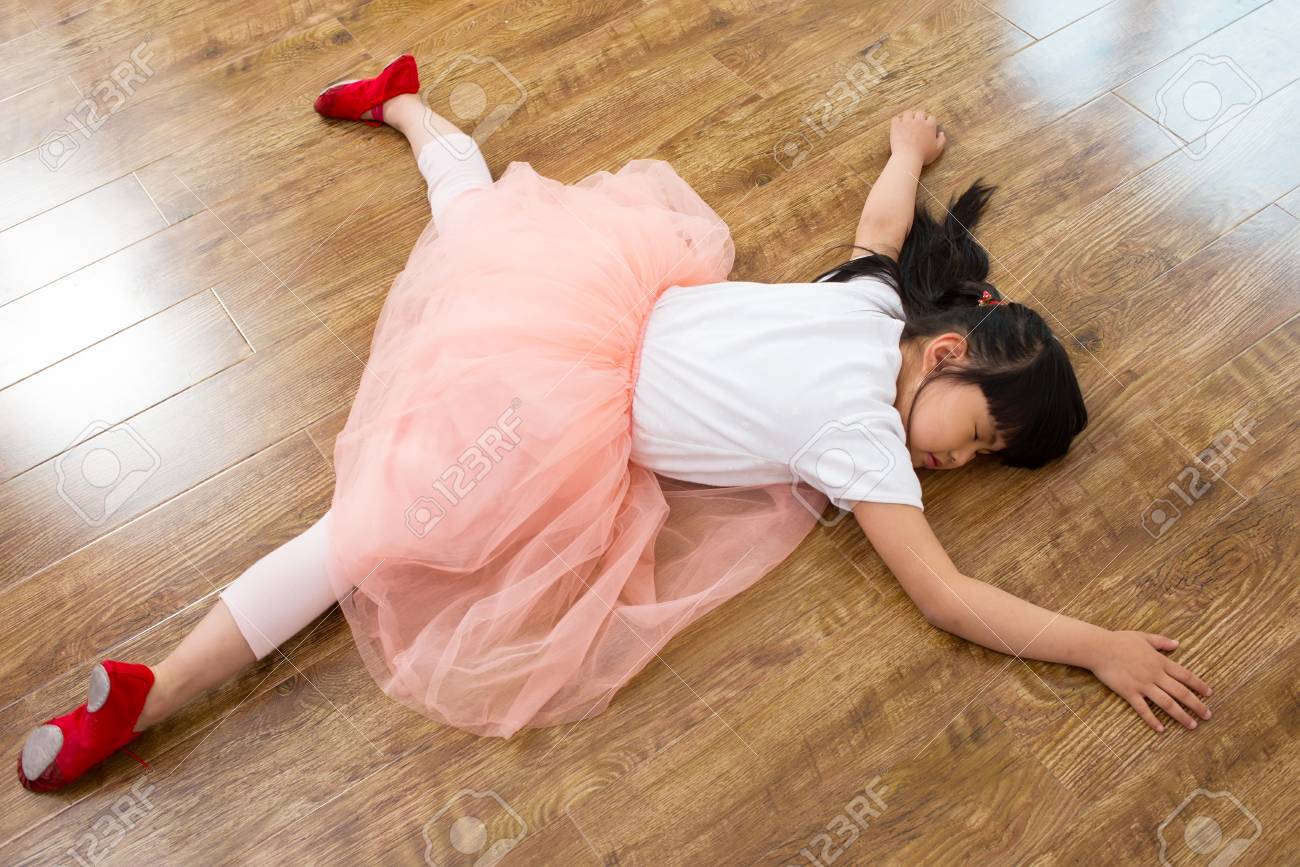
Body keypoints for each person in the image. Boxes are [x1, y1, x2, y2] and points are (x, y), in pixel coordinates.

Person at [18, 54, 1212, 792]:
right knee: (465, 262)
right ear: (945, 351)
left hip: (570, 362)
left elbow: (943, 580)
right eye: (979, 433)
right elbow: (882, 238)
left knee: (374, 510)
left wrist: (1093, 646)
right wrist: (904, 149)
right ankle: (409, 109)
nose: (955, 462)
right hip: (577, 346)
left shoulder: (866, 387)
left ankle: (152, 692)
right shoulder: (866, 366)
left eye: (981, 464)